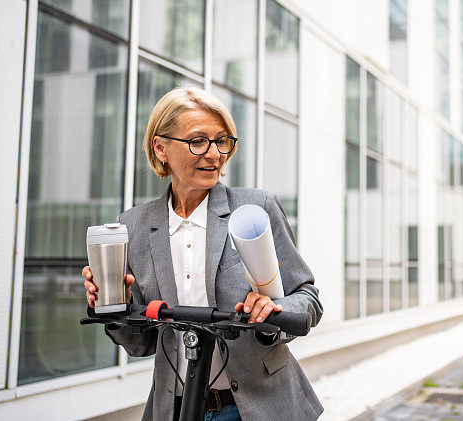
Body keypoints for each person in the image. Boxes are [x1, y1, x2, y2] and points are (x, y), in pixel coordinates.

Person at [82, 87, 324, 421]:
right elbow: (141, 343)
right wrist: (114, 307)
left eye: (222, 141)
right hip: (178, 408)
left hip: (259, 407)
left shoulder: (256, 208)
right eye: (198, 141)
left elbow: (307, 298)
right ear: (160, 147)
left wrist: (274, 311)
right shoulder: (135, 225)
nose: (214, 154)